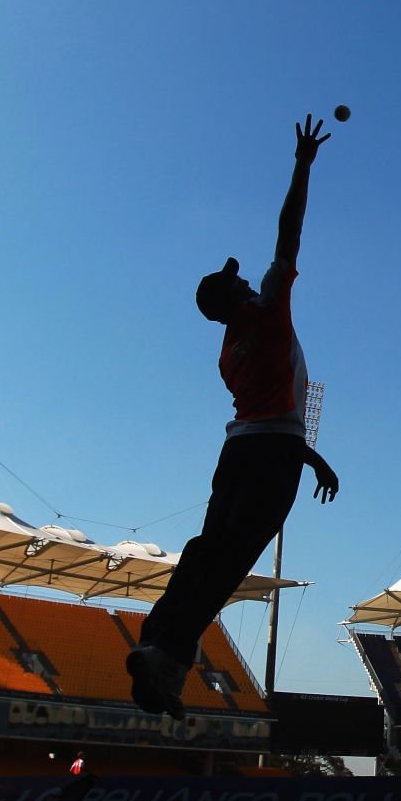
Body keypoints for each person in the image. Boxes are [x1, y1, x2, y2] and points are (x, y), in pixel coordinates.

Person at [127, 113, 342, 718]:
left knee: (206, 551)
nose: (247, 275)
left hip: (241, 453)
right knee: (229, 562)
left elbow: (263, 418)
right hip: (271, 459)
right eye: (239, 279)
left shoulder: (227, 352)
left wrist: (312, 454)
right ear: (236, 297)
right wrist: (302, 166)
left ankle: (158, 649)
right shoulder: (267, 311)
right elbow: (289, 233)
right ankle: (165, 655)